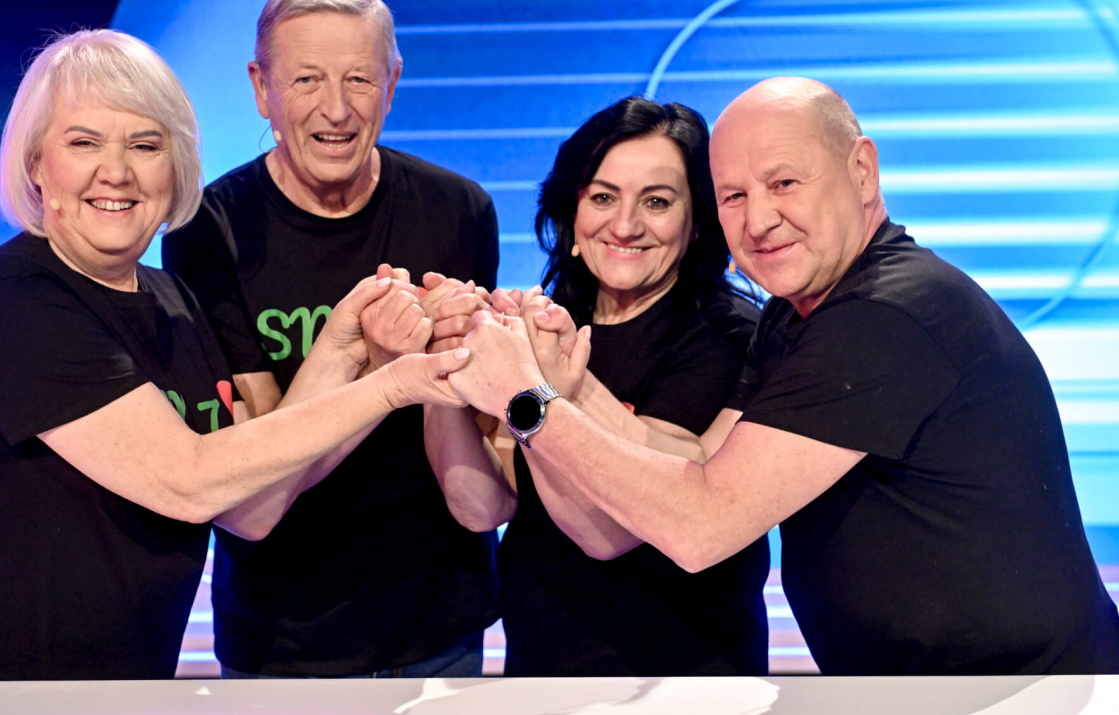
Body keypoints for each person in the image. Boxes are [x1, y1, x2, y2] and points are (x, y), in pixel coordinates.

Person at [446, 77, 1119, 675]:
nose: (760, 220)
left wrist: (528, 397)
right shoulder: (796, 316)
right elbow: (698, 462)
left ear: (862, 171)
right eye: (735, 195)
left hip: (1022, 691)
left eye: (784, 183)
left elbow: (700, 526)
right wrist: (558, 380)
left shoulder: (887, 313)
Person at [0, 29, 469, 682]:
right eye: (84, 143)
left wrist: (349, 351)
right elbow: (187, 480)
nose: (117, 171)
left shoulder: (175, 302)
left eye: (146, 145)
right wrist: (392, 387)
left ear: (176, 167)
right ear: (37, 165)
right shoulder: (7, 301)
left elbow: (252, 507)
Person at [162, 0, 500, 678]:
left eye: (359, 80)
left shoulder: (459, 211)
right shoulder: (207, 232)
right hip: (281, 633)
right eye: (307, 79)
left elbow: (476, 430)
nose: (337, 109)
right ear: (262, 88)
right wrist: (380, 368)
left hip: (440, 622)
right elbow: (257, 470)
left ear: (392, 83)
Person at [423, 98, 768, 675]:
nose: (625, 225)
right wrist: (445, 364)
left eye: (656, 201)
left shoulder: (727, 334)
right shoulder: (555, 317)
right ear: (572, 211)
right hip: (540, 669)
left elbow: (606, 533)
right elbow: (483, 506)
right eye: (603, 197)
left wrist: (541, 389)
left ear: (697, 222)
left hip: (686, 679)